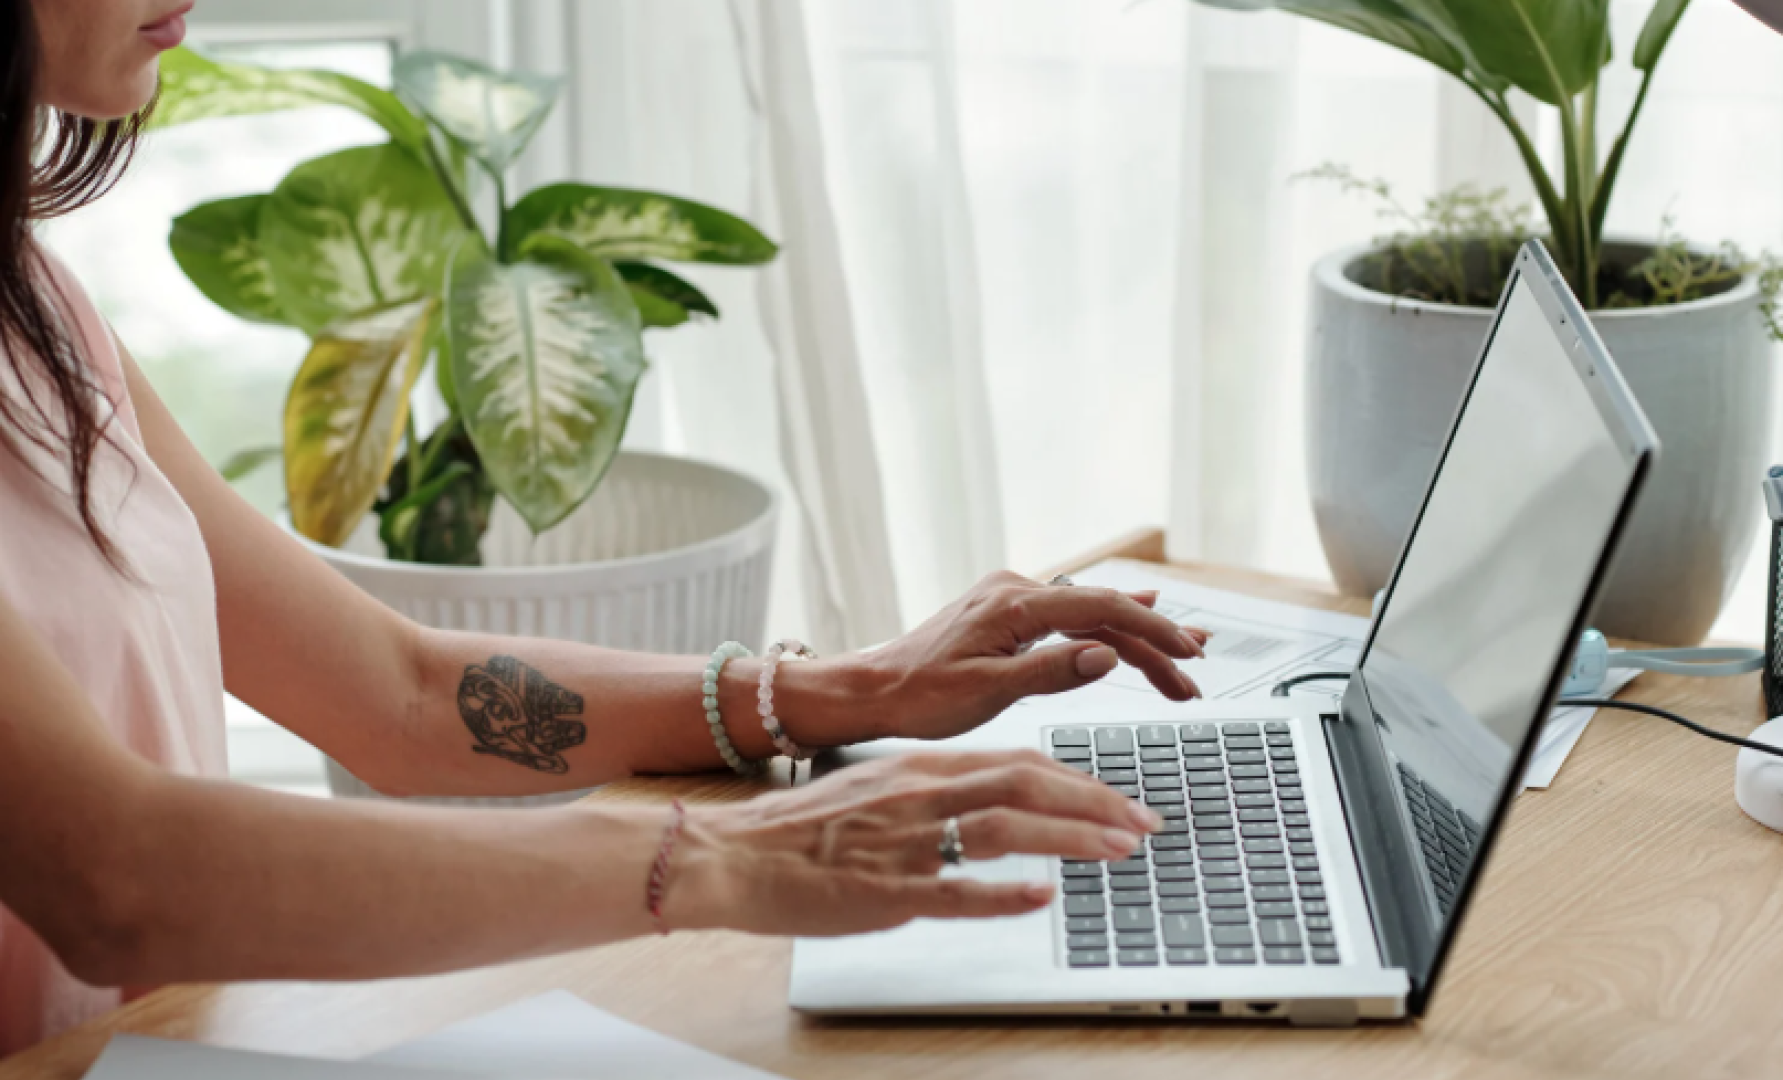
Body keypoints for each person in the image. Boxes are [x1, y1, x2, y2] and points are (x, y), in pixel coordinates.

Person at [0, 0, 1212, 1058]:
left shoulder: (37, 302)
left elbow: (398, 694)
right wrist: (724, 860)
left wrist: (826, 693)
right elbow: (120, 877)